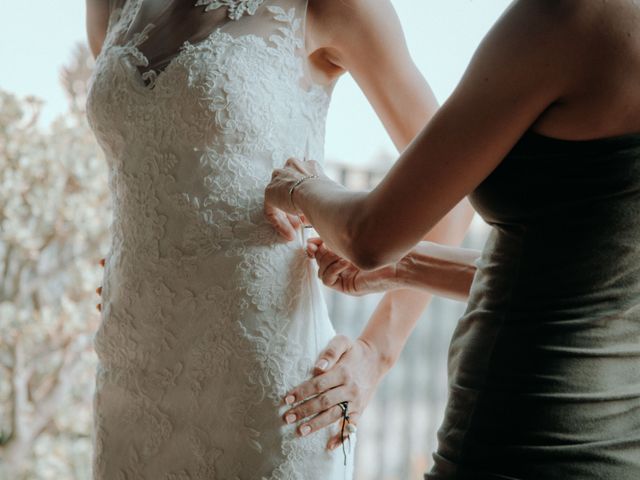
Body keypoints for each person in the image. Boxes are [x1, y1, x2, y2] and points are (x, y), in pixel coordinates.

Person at [86, 0, 472, 478]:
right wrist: (138, 252)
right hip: (131, 373)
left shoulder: (333, 7)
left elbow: (455, 193)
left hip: (268, 392)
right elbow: (140, 155)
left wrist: (377, 352)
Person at [264, 1, 640, 478]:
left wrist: (302, 188)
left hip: (524, 440)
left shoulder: (567, 15)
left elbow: (368, 235)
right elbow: (592, 280)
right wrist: (409, 266)